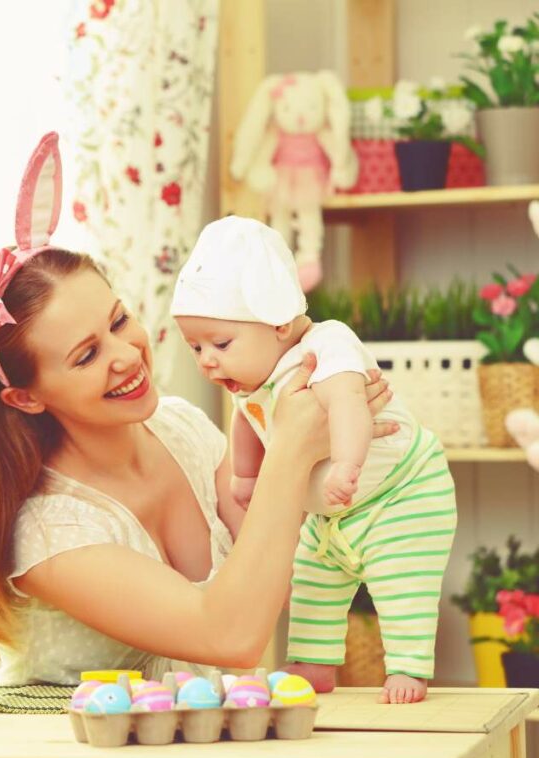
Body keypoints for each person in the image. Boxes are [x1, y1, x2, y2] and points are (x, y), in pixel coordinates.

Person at [0, 133, 396, 686]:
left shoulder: (181, 428)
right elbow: (231, 636)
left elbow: (272, 577)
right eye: (87, 355)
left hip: (196, 741)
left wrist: (328, 429)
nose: (128, 354)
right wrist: (293, 450)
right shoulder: (44, 526)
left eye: (118, 320)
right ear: (25, 397)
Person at [171, 215, 456, 704]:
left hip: (402, 493)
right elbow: (249, 420)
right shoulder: (253, 378)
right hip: (332, 513)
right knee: (311, 581)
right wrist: (246, 475)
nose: (207, 361)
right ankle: (312, 661)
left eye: (220, 343)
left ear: (281, 322)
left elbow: (348, 401)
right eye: (195, 347)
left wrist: (347, 464)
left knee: (401, 582)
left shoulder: (325, 344)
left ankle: (408, 665)